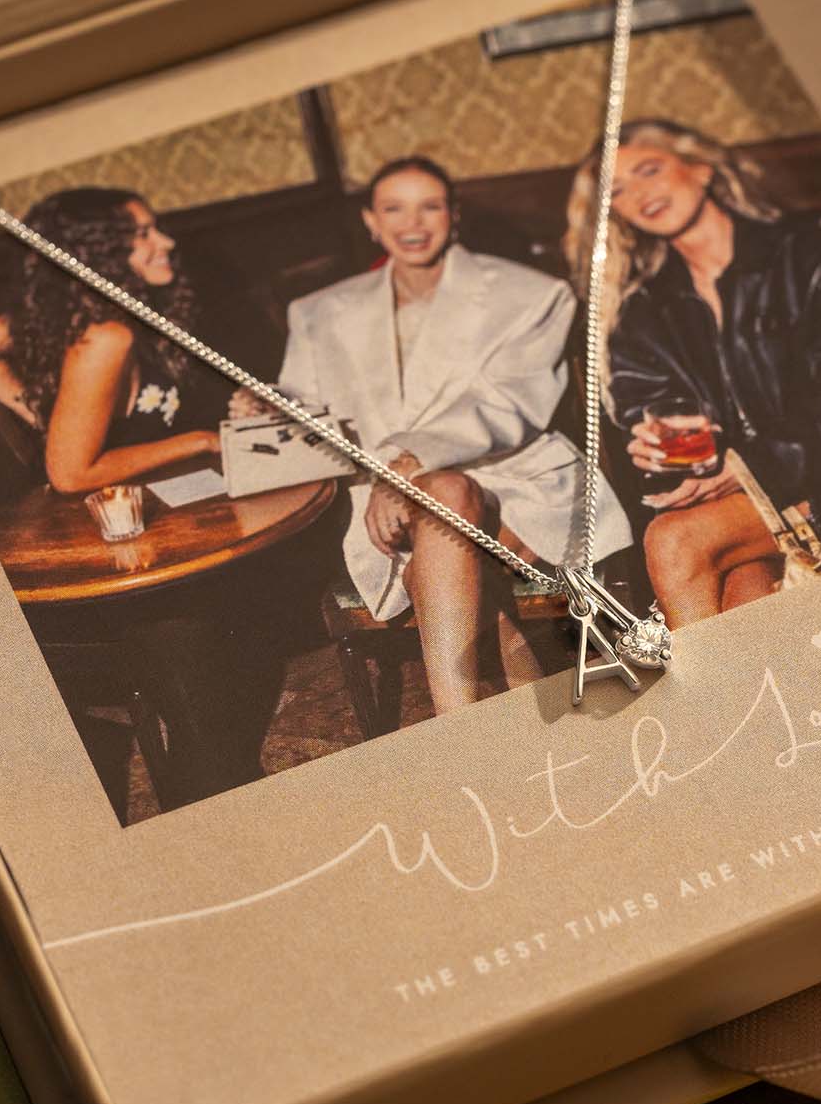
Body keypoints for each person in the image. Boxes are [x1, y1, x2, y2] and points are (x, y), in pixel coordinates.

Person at [260, 157, 629, 716]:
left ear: (453, 216)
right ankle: (499, 700)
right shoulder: (319, 311)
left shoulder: (532, 294)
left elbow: (504, 407)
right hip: (385, 509)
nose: (414, 222)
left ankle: (458, 724)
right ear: (371, 222)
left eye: (430, 205)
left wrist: (406, 465)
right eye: (394, 208)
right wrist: (269, 410)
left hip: (514, 482)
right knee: (448, 509)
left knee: (447, 494)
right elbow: (309, 417)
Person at [564, 119, 821, 627]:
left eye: (650, 170)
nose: (639, 194)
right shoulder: (643, 313)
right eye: (619, 191)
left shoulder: (813, 256)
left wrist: (747, 466)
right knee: (743, 602)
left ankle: (702, 708)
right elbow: (663, 430)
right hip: (739, 500)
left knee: (673, 540)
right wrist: (656, 451)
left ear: (701, 170)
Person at [0, 187, 219, 494]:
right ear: (101, 250)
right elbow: (70, 477)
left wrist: (52, 421)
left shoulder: (81, 311)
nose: (166, 242)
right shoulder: (105, 337)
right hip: (96, 518)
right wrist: (201, 441)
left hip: (137, 499)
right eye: (143, 234)